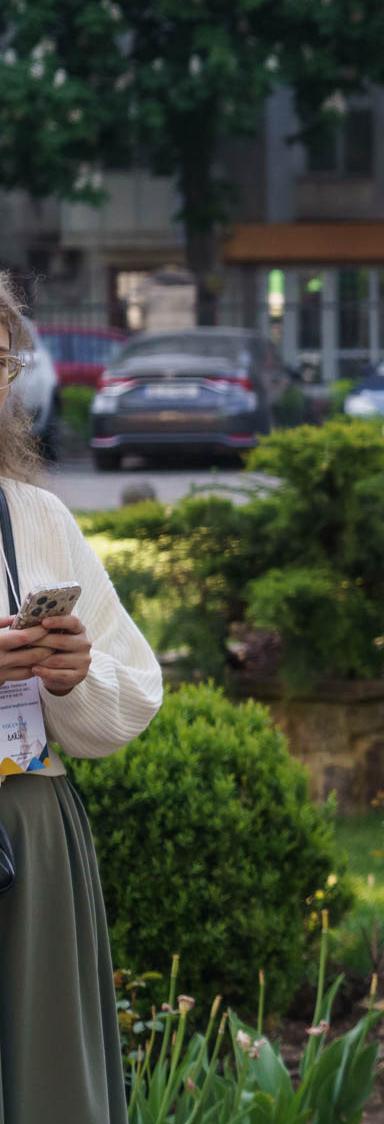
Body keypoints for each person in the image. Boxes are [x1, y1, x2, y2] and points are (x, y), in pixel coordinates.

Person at [0, 277, 164, 1124]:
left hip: (30, 838)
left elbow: (133, 691)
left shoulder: (36, 517)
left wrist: (73, 676)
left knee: (48, 1092)